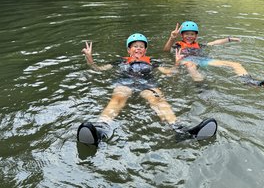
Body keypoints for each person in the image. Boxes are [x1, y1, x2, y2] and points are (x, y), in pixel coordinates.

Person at [77, 33, 218, 147]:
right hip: (125, 82)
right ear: (128, 50)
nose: (138, 49)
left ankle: (179, 130)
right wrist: (90, 59)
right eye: (135, 46)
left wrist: (176, 64)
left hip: (147, 84)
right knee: (119, 96)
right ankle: (101, 129)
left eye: (141, 47)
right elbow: (99, 69)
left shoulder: (152, 61)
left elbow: (169, 73)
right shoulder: (121, 61)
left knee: (157, 99)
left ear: (145, 50)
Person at [163, 21, 264, 88]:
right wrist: (172, 38)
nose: (189, 36)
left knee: (235, 64)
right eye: (186, 34)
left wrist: (230, 39)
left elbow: (214, 43)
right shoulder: (178, 45)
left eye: (192, 34)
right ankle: (203, 88)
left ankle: (250, 82)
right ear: (182, 36)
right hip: (187, 60)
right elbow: (166, 51)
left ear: (196, 36)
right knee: (191, 66)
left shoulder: (199, 45)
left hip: (203, 60)